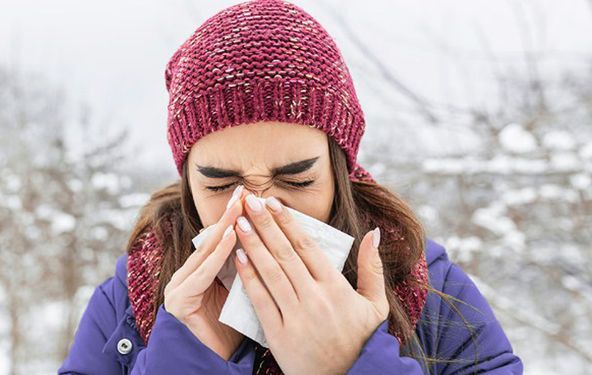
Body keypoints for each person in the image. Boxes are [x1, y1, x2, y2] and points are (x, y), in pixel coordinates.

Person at [58, 0, 524, 374]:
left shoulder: (427, 283)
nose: (258, 209)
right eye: (220, 185)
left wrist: (353, 363)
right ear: (187, 182)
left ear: (339, 169)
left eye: (297, 179)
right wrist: (184, 356)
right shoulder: (129, 295)